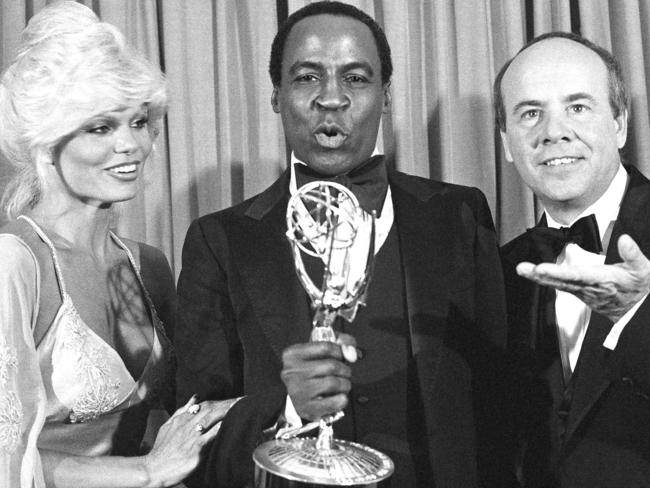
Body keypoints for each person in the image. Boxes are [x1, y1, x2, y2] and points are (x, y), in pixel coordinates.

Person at [176, 2, 512, 487]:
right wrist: (287, 409)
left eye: (355, 78)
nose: (330, 99)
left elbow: (500, 403)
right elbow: (195, 434)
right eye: (307, 78)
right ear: (276, 94)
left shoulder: (460, 214)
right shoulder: (219, 239)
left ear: (386, 94)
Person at [0, 2, 238, 487]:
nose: (132, 145)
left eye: (139, 121)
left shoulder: (149, 265)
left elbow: (176, 412)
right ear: (46, 142)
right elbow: (8, 458)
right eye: (101, 127)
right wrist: (148, 471)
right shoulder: (14, 264)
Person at [495, 31, 650, 487]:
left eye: (577, 107)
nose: (553, 132)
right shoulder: (499, 270)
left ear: (620, 122)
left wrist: (637, 316)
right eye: (530, 114)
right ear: (506, 142)